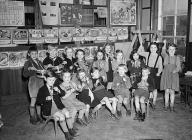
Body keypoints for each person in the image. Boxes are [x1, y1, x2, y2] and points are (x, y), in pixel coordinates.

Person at [36, 70, 76, 140]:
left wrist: (59, 91)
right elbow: (38, 101)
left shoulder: (56, 86)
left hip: (58, 106)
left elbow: (63, 94)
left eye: (53, 80)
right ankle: (66, 134)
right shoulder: (42, 89)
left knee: (67, 113)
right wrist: (46, 99)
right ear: (45, 79)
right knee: (62, 117)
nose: (52, 82)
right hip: (49, 109)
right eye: (50, 80)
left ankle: (70, 129)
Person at [23, 46, 45, 124]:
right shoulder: (27, 62)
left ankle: (39, 116)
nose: (34, 55)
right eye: (32, 54)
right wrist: (29, 69)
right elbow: (24, 75)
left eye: (36, 53)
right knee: (33, 100)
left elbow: (43, 71)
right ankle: (32, 118)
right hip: (33, 83)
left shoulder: (39, 62)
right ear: (29, 54)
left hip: (41, 82)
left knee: (39, 100)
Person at [137, 42, 163, 109]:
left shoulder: (159, 57)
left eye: (154, 47)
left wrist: (159, 73)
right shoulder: (147, 54)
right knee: (147, 87)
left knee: (154, 88)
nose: (153, 49)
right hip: (147, 72)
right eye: (151, 47)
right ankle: (149, 99)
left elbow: (160, 66)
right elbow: (139, 52)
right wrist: (141, 46)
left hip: (155, 73)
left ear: (157, 48)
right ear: (149, 48)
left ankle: (154, 102)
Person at [160, 40, 181, 112]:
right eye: (170, 49)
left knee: (172, 91)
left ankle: (171, 106)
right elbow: (162, 51)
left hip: (173, 76)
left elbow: (178, 67)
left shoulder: (177, 58)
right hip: (166, 75)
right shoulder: (165, 56)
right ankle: (166, 106)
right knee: (166, 91)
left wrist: (175, 71)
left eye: (173, 49)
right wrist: (164, 44)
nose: (171, 50)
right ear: (168, 50)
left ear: (175, 50)